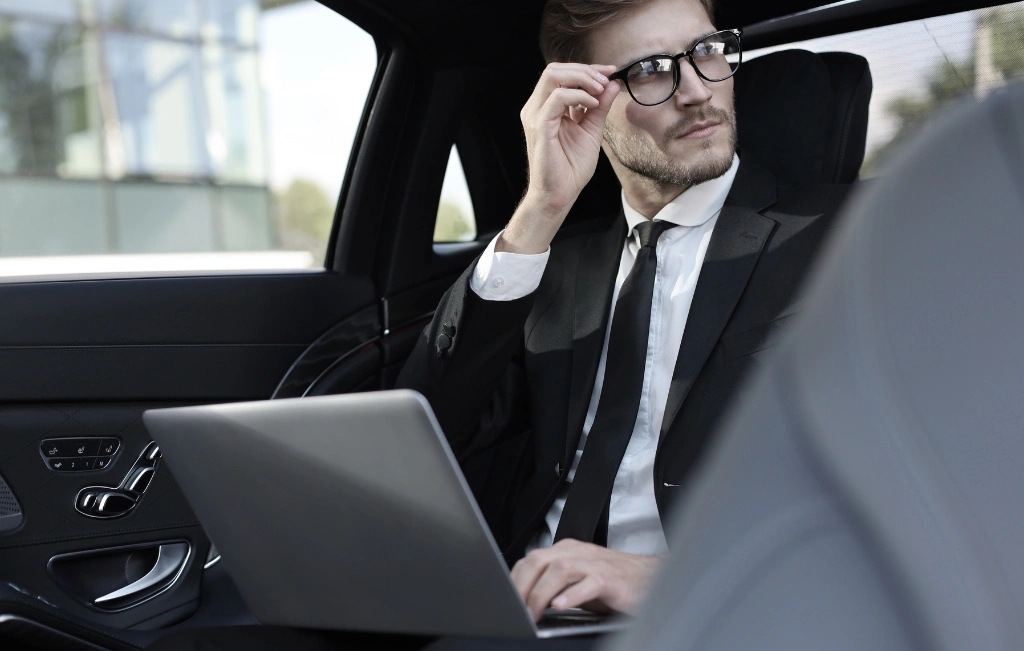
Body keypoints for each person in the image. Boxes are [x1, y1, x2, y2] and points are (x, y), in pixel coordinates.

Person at [149, 0, 850, 648]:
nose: (698, 89)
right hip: (517, 606)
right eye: (652, 72)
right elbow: (435, 424)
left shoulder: (852, 239)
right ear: (584, 104)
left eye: (706, 51)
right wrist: (539, 211)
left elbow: (912, 482)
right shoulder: (556, 266)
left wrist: (661, 575)